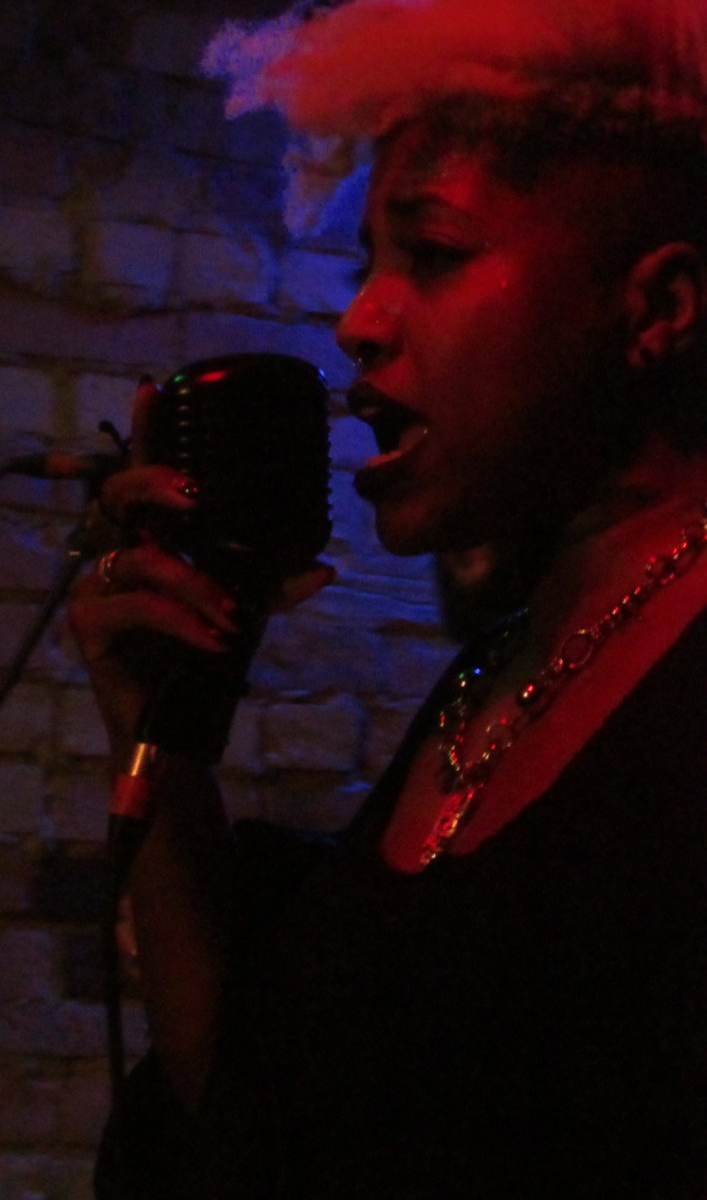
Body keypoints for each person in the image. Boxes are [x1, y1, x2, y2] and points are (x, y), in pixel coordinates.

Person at [69, 1, 707, 1195]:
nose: (359, 321)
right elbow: (259, 1126)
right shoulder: (491, 677)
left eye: (434, 253)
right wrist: (162, 736)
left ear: (658, 308)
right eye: (369, 264)